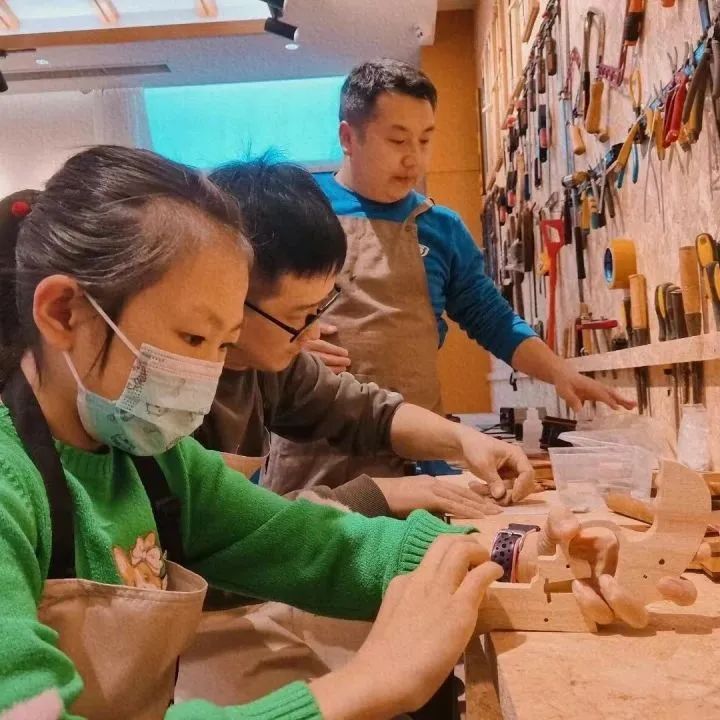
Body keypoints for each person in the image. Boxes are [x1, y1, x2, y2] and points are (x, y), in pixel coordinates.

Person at [0, 147, 697, 720]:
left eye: (224, 344)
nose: (208, 373)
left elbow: (318, 546)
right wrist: (359, 687)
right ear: (64, 312)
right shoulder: (13, 487)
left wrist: (525, 553)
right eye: (191, 339)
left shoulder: (155, 462)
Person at [272, 58, 635, 491]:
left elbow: (491, 319)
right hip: (314, 457)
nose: (414, 158)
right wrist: (284, 342)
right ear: (348, 138)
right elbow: (243, 318)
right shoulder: (299, 215)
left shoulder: (440, 228)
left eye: (425, 140)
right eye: (397, 140)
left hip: (416, 452)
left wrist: (559, 371)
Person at [200, 157, 534, 509]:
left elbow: (369, 413)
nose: (311, 334)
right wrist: (381, 493)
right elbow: (227, 524)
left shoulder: (275, 370)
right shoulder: (181, 395)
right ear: (233, 297)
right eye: (298, 315)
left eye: (319, 309)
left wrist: (464, 441)